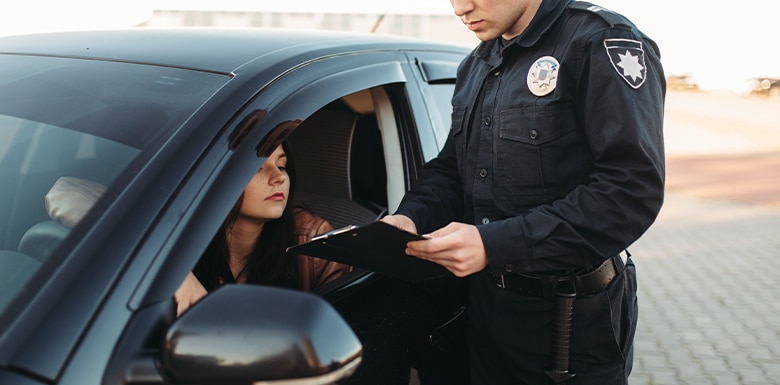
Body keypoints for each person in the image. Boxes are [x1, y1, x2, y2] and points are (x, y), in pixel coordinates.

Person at [382, 0, 665, 384]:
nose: (460, 8)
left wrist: (495, 244)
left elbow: (630, 191)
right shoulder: (477, 64)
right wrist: (410, 216)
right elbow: (452, 169)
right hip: (486, 310)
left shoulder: (599, 41)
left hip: (569, 326)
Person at [175, 142, 351, 316]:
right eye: (257, 167)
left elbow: (341, 326)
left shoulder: (312, 240)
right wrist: (178, 277)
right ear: (217, 178)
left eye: (281, 166)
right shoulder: (175, 242)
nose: (278, 177)